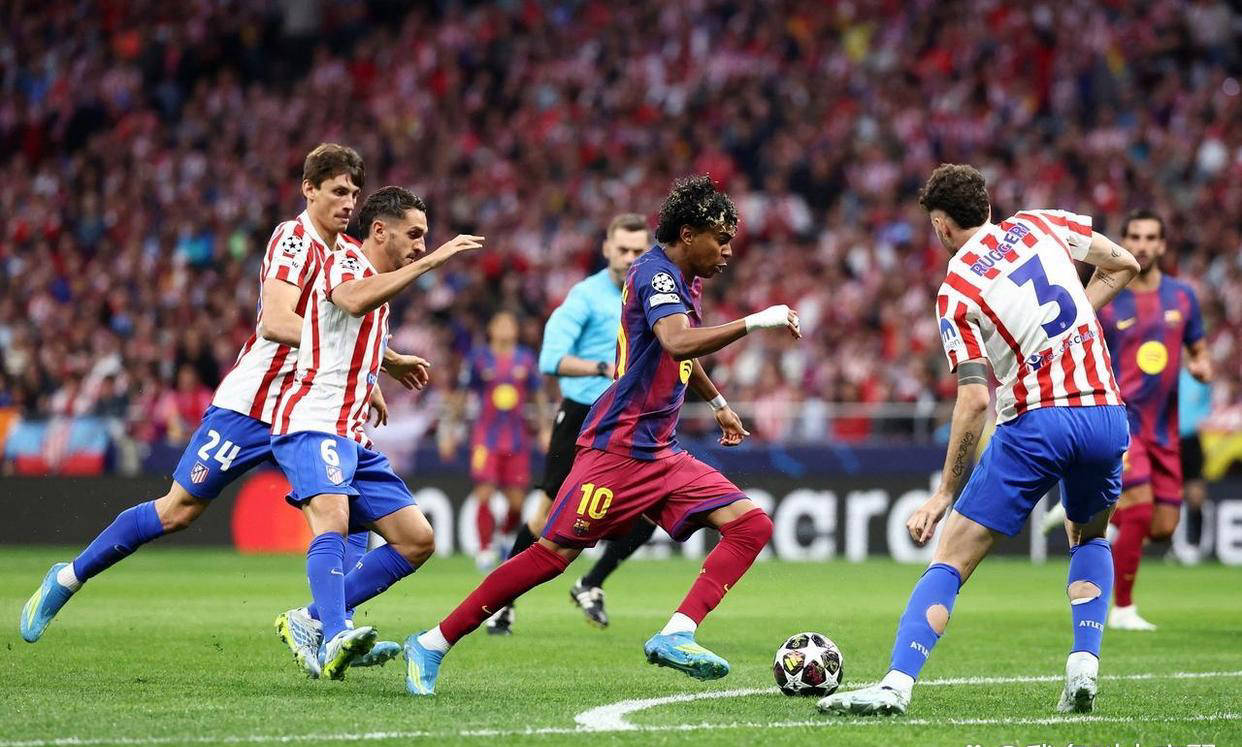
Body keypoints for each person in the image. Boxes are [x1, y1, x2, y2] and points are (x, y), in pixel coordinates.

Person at [20, 146, 425, 671]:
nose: (349, 203)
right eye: (338, 191)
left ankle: (329, 630)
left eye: (354, 193)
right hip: (253, 405)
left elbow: (351, 325)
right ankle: (68, 577)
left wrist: (376, 365)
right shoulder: (293, 239)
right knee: (178, 510)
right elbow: (276, 321)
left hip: (314, 407)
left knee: (348, 514)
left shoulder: (351, 251)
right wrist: (352, 356)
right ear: (309, 189)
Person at [402, 175, 800, 696]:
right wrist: (755, 321)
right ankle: (431, 642)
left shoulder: (686, 278)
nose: (728, 251)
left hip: (661, 452)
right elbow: (677, 342)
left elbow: (679, 355)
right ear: (688, 234)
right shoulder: (655, 274)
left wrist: (719, 404)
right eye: (720, 240)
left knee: (751, 526)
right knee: (550, 556)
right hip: (618, 449)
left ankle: (677, 633)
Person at [820, 164, 1139, 717]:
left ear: (941, 225)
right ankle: (1083, 666)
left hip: (1039, 421)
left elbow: (973, 401)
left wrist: (944, 493)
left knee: (952, 556)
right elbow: (1125, 264)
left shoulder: (956, 290)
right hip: (1106, 416)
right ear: (988, 207)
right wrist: (1068, 332)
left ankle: (896, 685)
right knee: (1088, 536)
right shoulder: (1038, 223)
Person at [270, 186, 482, 679]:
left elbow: (345, 333)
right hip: (312, 421)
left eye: (426, 239)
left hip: (351, 431)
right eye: (415, 235)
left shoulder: (380, 288)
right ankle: (335, 633)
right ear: (380, 231)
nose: (421, 246)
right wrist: (431, 263)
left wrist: (379, 373)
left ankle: (311, 619)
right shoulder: (346, 259)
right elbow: (349, 300)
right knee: (333, 520)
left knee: (417, 540)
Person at [487, 212, 651, 635]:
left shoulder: (652, 293)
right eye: (622, 249)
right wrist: (603, 367)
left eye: (638, 251)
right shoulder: (584, 297)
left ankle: (590, 583)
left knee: (653, 509)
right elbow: (549, 360)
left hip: (629, 417)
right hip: (582, 415)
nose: (629, 258)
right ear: (607, 248)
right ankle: (502, 601)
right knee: (546, 516)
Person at [439, 311, 548, 571]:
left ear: (516, 330)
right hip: (485, 439)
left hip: (517, 439)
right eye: (500, 323)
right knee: (484, 493)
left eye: (509, 323)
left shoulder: (526, 358)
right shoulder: (478, 358)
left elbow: (538, 396)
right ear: (491, 329)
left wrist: (545, 429)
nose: (505, 328)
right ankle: (485, 550)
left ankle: (504, 536)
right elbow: (461, 396)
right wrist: (449, 432)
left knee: (517, 503)